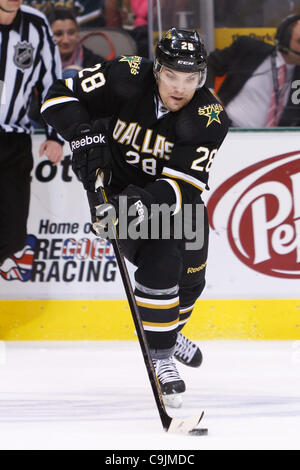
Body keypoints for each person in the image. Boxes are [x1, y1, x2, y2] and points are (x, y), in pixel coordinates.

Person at [41, 28, 229, 408]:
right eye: (172, 76)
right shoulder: (126, 75)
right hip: (119, 193)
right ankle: (162, 358)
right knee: (163, 258)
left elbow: (185, 186)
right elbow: (57, 95)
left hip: (172, 198)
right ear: (157, 70)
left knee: (192, 280)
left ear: (201, 78)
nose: (180, 87)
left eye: (190, 78)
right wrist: (81, 134)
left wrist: (143, 203)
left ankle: (167, 330)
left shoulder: (209, 118)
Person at [0, 0, 63, 268]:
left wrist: (54, 135)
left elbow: (52, 82)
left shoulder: (36, 25)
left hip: (13, 142)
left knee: (13, 237)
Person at [207, 15, 300, 128]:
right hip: (227, 130)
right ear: (284, 40)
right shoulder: (248, 49)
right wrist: (209, 95)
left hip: (277, 140)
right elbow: (207, 64)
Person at [46, 6, 104, 78]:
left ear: (77, 33)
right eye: (58, 34)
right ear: (47, 36)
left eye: (71, 32)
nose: (66, 40)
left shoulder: (98, 65)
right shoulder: (37, 66)